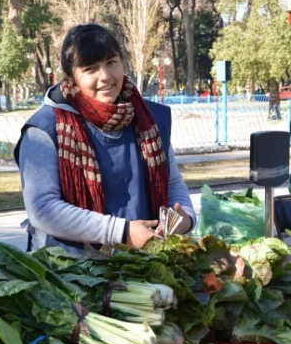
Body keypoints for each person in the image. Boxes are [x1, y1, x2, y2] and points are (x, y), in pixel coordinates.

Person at [15, 24, 196, 253]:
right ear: (72, 77)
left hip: (142, 262)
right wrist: (121, 233)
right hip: (69, 271)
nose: (105, 77)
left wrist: (185, 219)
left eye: (111, 62)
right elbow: (42, 209)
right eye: (90, 69)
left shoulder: (150, 121)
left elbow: (172, 184)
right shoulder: (44, 129)